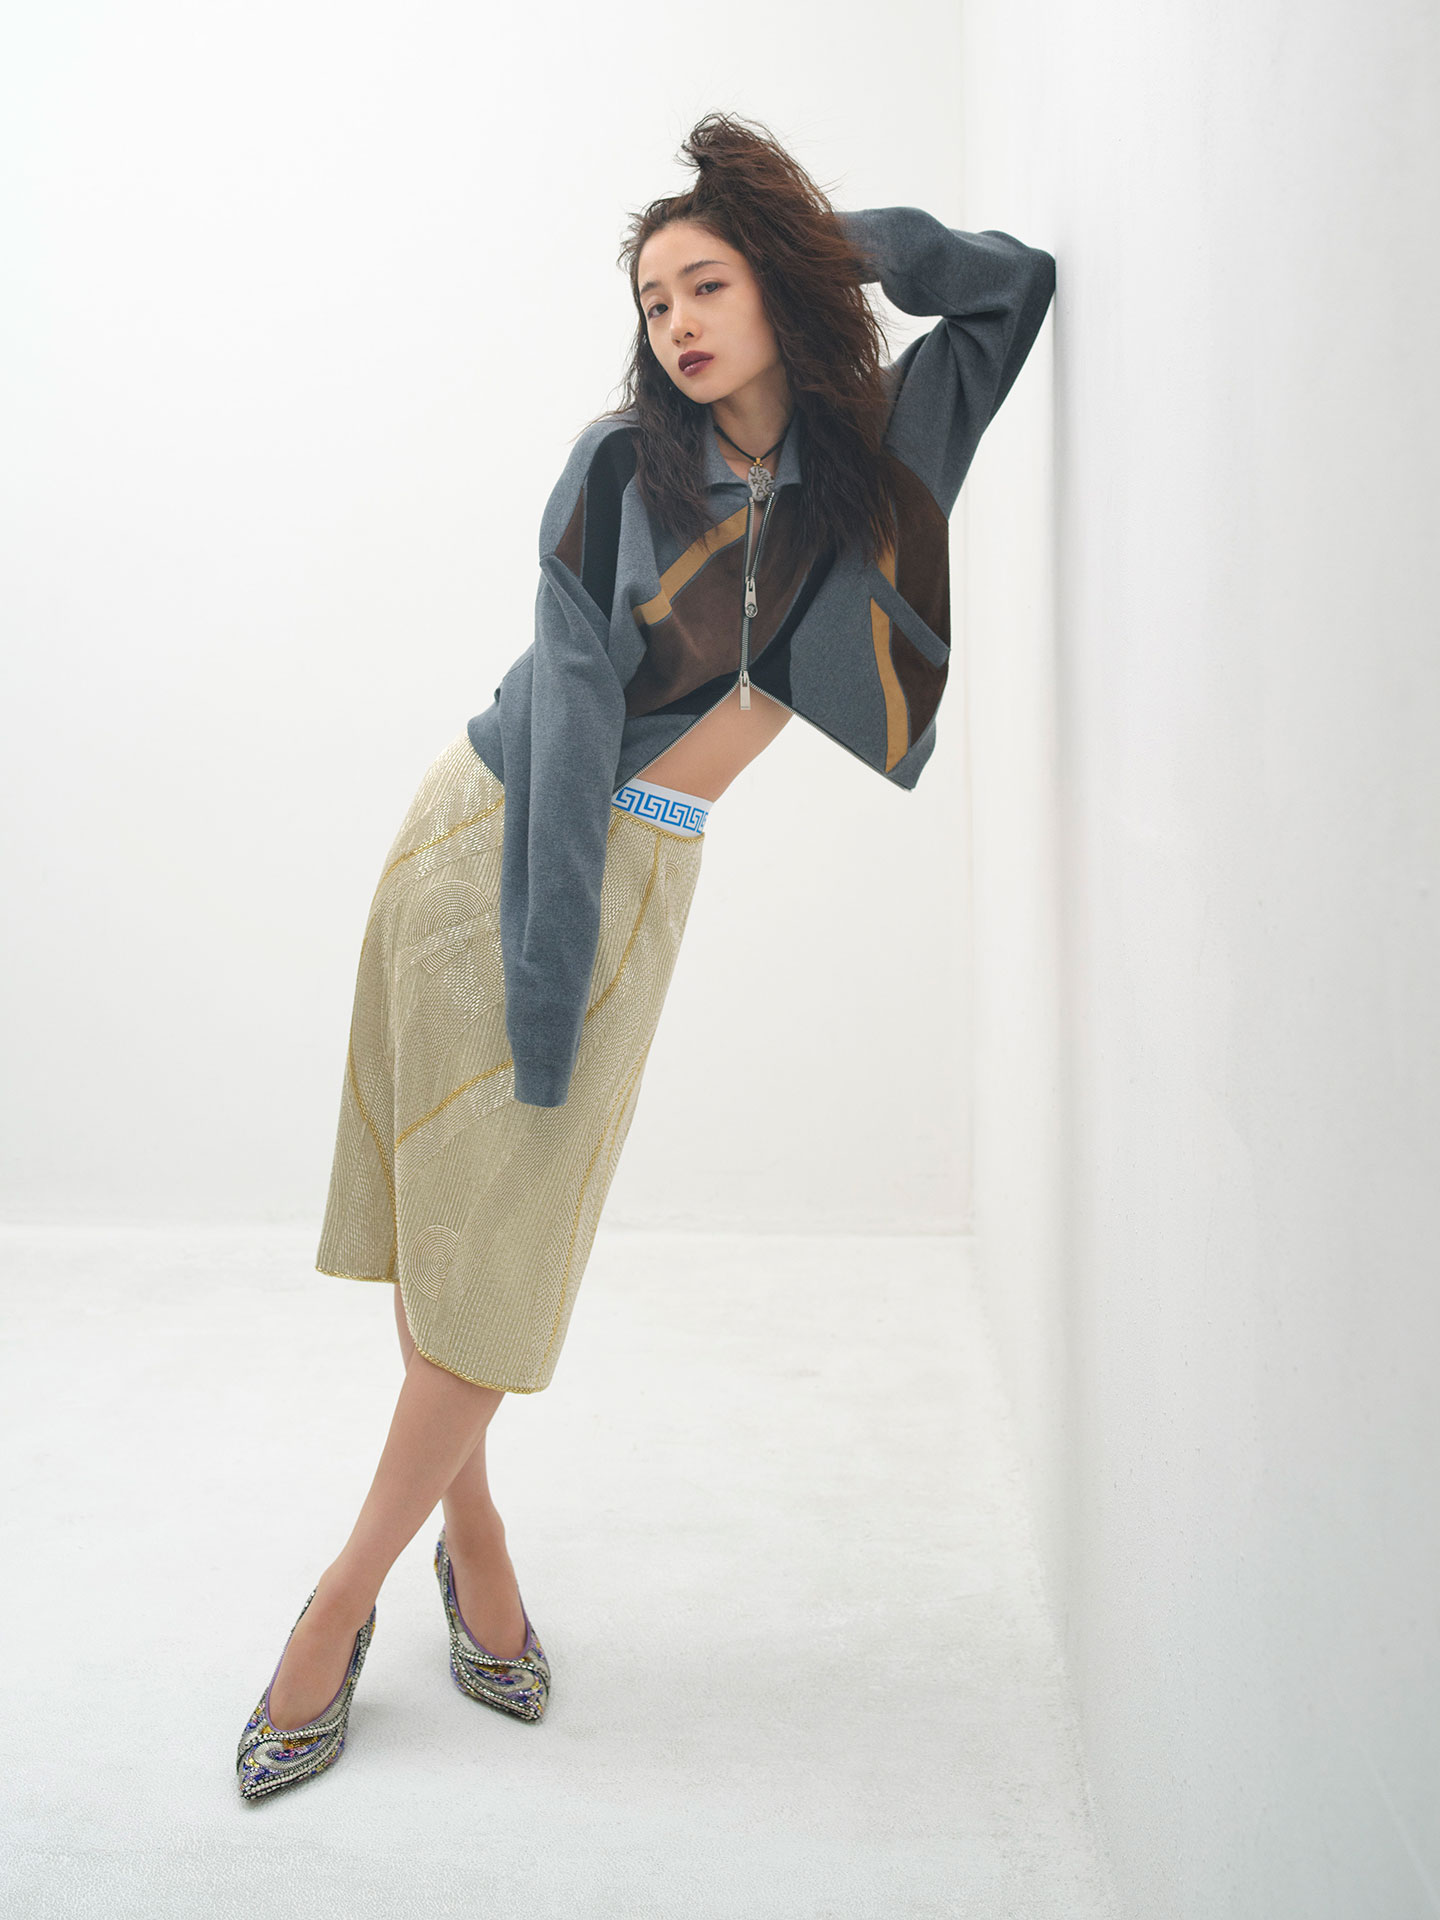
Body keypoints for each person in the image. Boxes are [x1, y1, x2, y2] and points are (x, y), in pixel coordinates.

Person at [235, 109, 1056, 1800]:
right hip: (502, 839)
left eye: (710, 284)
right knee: (477, 1237)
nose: (677, 320)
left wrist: (826, 246)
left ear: (781, 291)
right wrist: (546, 984)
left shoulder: (883, 452)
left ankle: (471, 1544)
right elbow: (566, 721)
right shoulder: (621, 470)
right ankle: (348, 1599)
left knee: (481, 1236)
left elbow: (1010, 288)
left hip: (647, 865)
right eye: (654, 298)